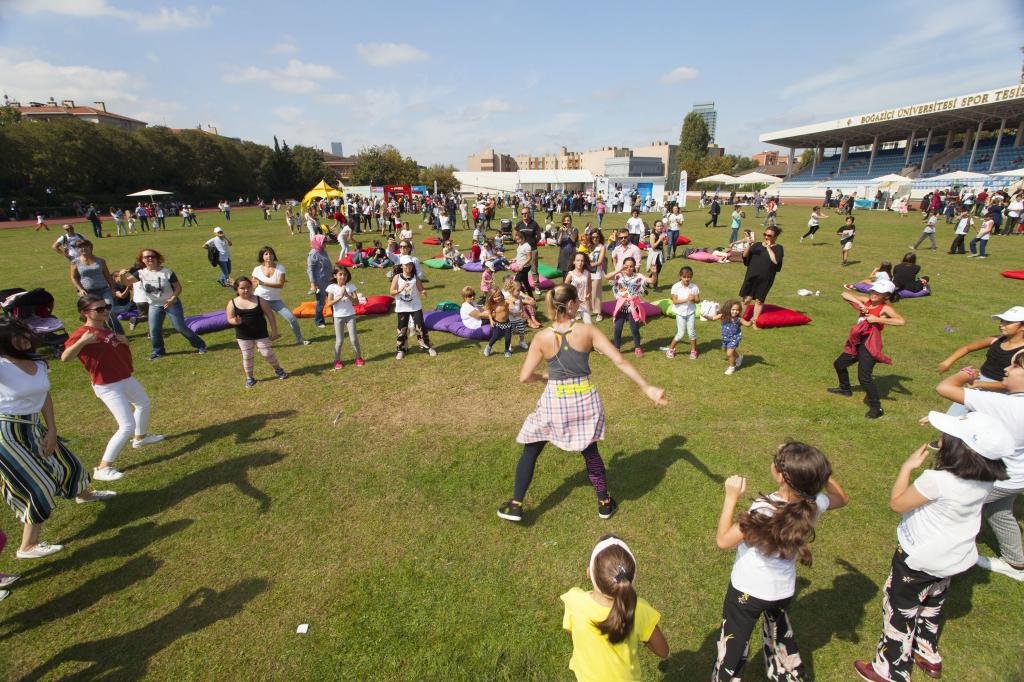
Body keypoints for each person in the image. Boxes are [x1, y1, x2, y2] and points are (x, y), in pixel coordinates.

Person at [853, 412, 1013, 682]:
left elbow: (897, 503)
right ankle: (928, 653)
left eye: (946, 436)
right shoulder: (987, 479)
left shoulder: (937, 480)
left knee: (899, 608)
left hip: (918, 558)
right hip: (955, 557)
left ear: (959, 448)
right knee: (932, 603)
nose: (940, 438)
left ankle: (891, 670)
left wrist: (906, 468)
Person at [496, 285, 667, 523]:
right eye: (578, 301)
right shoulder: (588, 331)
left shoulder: (541, 337)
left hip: (554, 401)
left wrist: (545, 377)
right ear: (571, 304)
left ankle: (515, 504)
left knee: (532, 447)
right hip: (585, 398)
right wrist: (646, 387)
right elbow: (619, 361)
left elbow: (524, 377)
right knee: (590, 451)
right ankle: (605, 503)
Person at [713, 442, 848, 681]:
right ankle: (786, 674)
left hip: (747, 592)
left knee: (733, 642)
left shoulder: (763, 511)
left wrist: (730, 497)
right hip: (782, 590)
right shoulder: (813, 504)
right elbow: (841, 498)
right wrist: (818, 472)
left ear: (781, 477)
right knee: (778, 634)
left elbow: (723, 540)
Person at [0, 318, 115, 560]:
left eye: (25, 334)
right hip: (6, 433)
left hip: (32, 425)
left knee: (67, 463)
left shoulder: (37, 362)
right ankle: (27, 547)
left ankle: (84, 495)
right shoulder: (2, 366)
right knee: (37, 485)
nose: (25, 339)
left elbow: (45, 396)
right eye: (17, 337)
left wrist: (52, 429)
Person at [934, 348, 1024, 579]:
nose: (1006, 368)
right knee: (999, 511)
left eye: (1015, 366)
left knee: (952, 512)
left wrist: (965, 375)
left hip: (997, 477)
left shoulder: (1006, 404)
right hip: (1017, 477)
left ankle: (940, 565)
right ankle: (1016, 563)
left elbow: (945, 388)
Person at [61, 296, 164, 481]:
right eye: (99, 309)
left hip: (124, 377)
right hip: (108, 385)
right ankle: (102, 468)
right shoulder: (83, 333)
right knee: (126, 425)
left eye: (106, 307)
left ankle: (140, 438)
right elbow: (65, 357)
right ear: (85, 313)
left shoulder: (104, 328)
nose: (105, 311)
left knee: (143, 403)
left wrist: (123, 340)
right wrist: (82, 342)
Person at [560, 535, 669, 681]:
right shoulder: (639, 610)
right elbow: (663, 651)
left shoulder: (574, 601)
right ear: (631, 579)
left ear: (589, 573)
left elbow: (570, 630)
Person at [828, 280, 905, 418]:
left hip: (869, 344)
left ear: (886, 296)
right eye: (874, 291)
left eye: (878, 292)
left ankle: (877, 408)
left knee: (864, 377)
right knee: (839, 364)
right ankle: (845, 389)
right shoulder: (867, 301)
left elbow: (901, 321)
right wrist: (862, 305)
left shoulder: (885, 308)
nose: (874, 294)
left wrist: (878, 319)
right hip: (857, 341)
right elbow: (844, 294)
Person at [937, 307, 1024, 416]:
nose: (1002, 324)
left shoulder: (1021, 354)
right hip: (977, 386)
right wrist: (947, 362)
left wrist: (981, 384)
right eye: (1002, 321)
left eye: (1008, 322)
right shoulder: (995, 339)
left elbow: (1013, 384)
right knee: (952, 418)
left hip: (998, 394)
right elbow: (967, 348)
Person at [127, 249, 207, 360]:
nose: (150, 258)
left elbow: (178, 287)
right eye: (146, 257)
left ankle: (200, 344)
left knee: (180, 327)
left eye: (152, 256)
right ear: (142, 260)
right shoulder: (140, 273)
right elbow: (125, 282)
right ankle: (158, 351)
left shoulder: (167, 272)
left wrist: (172, 299)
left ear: (157, 258)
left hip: (171, 303)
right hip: (154, 305)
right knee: (154, 330)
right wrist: (121, 275)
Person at [225, 277, 286, 388]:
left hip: (261, 334)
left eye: (248, 287)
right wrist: (235, 321)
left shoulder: (259, 300)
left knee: (267, 353)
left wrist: (274, 331)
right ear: (236, 290)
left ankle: (278, 369)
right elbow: (229, 318)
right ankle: (250, 377)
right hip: (244, 336)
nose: (246, 290)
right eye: (242, 288)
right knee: (247, 356)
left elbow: (270, 316)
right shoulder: (232, 303)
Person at [251, 246, 309, 346]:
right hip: (260, 299)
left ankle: (299, 339)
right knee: (258, 323)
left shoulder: (280, 268)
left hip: (275, 300)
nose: (269, 256)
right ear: (262, 256)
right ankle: (261, 344)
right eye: (266, 254)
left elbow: (280, 285)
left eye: (271, 253)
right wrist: (253, 284)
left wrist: (263, 283)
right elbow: (253, 283)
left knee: (291, 318)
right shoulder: (257, 269)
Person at [68, 239, 124, 335]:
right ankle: (105, 332)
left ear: (91, 247)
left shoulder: (100, 261)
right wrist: (80, 289)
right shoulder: (75, 262)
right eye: (80, 247)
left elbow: (107, 276)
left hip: (104, 290)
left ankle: (119, 334)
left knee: (109, 311)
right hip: (88, 293)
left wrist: (113, 288)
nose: (83, 248)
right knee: (95, 314)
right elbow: (74, 277)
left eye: (85, 246)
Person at [390, 255, 435, 359]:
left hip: (415, 306)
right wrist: (400, 290)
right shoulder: (397, 277)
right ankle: (401, 349)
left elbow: (421, 289)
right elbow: (392, 292)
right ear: (401, 266)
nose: (408, 267)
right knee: (402, 329)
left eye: (410, 265)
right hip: (402, 307)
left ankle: (426, 346)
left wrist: (423, 292)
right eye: (406, 265)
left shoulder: (415, 277)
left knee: (420, 327)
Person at [739, 226, 784, 327]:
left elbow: (775, 261)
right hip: (751, 276)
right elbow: (745, 256)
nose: (766, 237)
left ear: (775, 237)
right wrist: (749, 245)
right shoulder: (757, 245)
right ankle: (739, 319)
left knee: (759, 301)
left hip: (766, 278)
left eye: (769, 235)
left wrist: (768, 247)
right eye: (765, 234)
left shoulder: (778, 248)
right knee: (746, 299)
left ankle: (755, 322)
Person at [324, 266, 364, 369]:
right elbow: (329, 303)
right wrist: (340, 297)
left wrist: (347, 295)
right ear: (335, 275)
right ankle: (337, 360)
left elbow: (356, 302)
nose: (343, 276)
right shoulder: (332, 287)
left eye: (345, 274)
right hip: (338, 317)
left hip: (350, 316)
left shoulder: (351, 286)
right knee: (339, 340)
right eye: (340, 274)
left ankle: (358, 358)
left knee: (354, 339)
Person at [710, 299, 752, 375]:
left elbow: (747, 324)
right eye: (733, 309)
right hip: (725, 338)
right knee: (727, 350)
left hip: (734, 338)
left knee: (729, 354)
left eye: (737, 310)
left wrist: (751, 322)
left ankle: (731, 367)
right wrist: (705, 316)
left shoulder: (739, 319)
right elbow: (713, 318)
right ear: (728, 309)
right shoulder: (723, 316)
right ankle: (739, 357)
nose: (735, 311)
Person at [666, 266, 700, 360]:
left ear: (691, 277)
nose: (687, 279)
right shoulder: (676, 287)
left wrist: (694, 299)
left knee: (692, 332)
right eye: (684, 277)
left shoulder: (694, 287)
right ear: (680, 276)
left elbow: (698, 300)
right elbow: (675, 301)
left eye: (689, 277)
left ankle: (693, 351)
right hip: (680, 313)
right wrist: (687, 299)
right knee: (680, 333)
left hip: (690, 313)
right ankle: (670, 349)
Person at [306, 234, 333, 329]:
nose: (325, 243)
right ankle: (319, 321)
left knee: (333, 299)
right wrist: (313, 284)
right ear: (318, 242)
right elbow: (310, 269)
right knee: (321, 302)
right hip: (320, 283)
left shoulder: (323, 251)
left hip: (329, 280)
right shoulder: (313, 254)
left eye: (325, 241)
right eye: (324, 242)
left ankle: (337, 318)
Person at [482, 288, 513, 358]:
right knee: (495, 336)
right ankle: (488, 346)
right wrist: (491, 320)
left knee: (508, 338)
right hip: (497, 324)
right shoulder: (493, 305)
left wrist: (511, 304)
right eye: (495, 297)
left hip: (507, 323)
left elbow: (510, 301)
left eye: (499, 296)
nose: (497, 298)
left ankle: (507, 350)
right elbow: (489, 312)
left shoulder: (505, 302)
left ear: (502, 295)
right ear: (492, 298)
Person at [564, 253, 592, 325]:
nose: (580, 263)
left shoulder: (587, 273)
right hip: (573, 302)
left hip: (584, 302)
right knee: (569, 323)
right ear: (574, 262)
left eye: (582, 261)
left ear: (584, 262)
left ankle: (588, 336)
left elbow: (589, 286)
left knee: (589, 323)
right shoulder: (570, 274)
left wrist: (588, 294)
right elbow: (565, 288)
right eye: (578, 260)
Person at [587, 231, 606, 322]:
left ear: (600, 237)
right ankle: (587, 310)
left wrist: (588, 264)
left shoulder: (602, 247)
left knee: (596, 293)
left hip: (596, 273)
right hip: (587, 273)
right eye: (593, 237)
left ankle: (599, 312)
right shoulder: (589, 246)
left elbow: (600, 262)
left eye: (597, 237)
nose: (595, 238)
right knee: (587, 292)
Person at [646, 221, 666, 289]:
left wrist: (664, 240)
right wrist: (660, 239)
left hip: (660, 253)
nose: (660, 227)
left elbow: (663, 243)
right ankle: (655, 285)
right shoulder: (653, 235)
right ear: (655, 227)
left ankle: (647, 282)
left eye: (661, 226)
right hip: (654, 254)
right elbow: (653, 246)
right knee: (656, 270)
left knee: (658, 270)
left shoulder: (661, 233)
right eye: (658, 226)